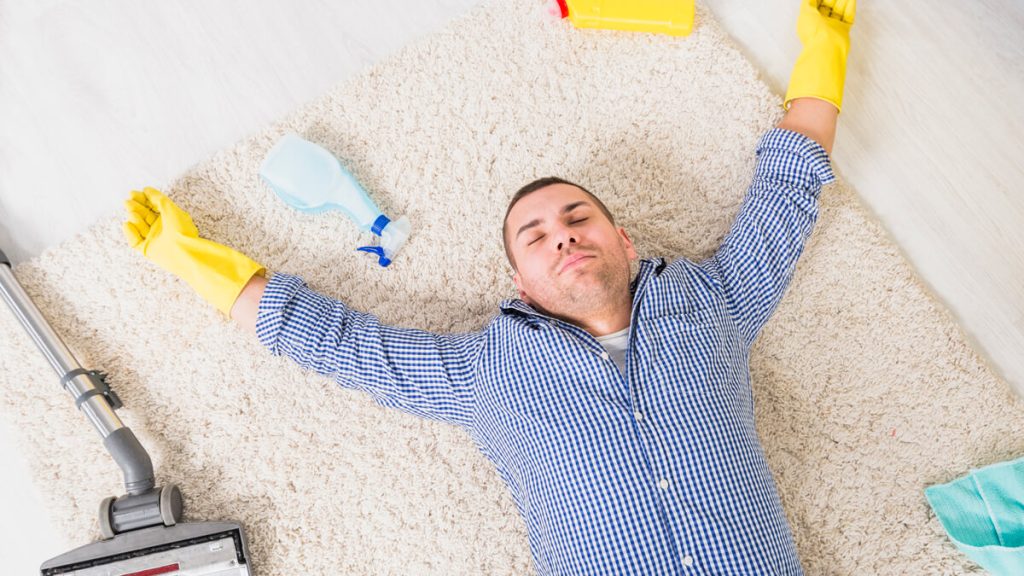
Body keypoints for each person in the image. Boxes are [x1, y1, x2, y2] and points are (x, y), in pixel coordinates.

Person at [122, 1, 855, 573]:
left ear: (625, 243)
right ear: (521, 285)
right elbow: (339, 344)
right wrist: (188, 255)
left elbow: (784, 197)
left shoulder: (714, 303)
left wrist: (825, 56)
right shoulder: (487, 373)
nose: (563, 235)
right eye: (536, 238)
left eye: (578, 218)